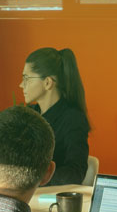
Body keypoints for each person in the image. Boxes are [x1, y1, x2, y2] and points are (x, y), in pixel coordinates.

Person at [21, 47, 91, 185]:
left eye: (26, 79)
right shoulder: (27, 115)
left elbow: (75, 173)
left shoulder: (73, 119)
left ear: (47, 82)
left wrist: (34, 178)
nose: (21, 85)